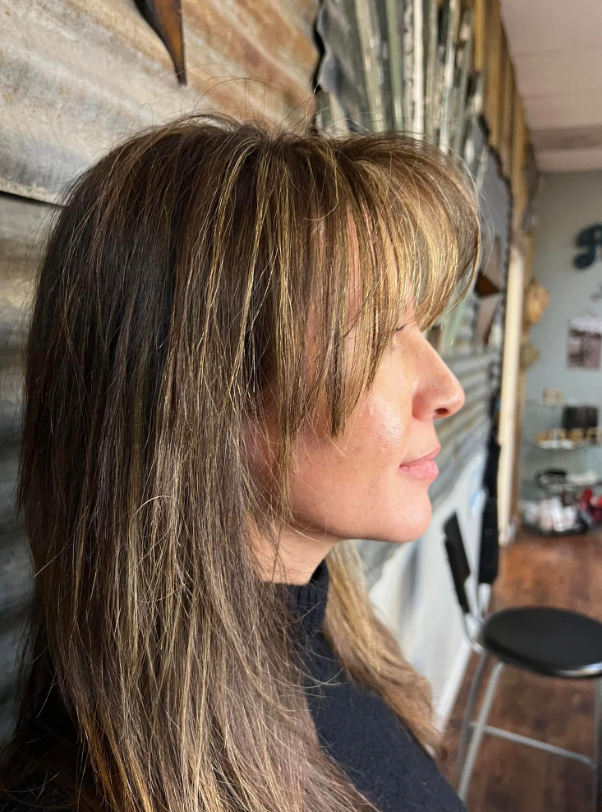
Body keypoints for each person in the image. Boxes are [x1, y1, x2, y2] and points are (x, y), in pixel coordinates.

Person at [0, 110, 480, 812]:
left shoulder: (339, 656)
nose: (447, 390)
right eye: (379, 336)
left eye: (424, 329)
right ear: (201, 397)